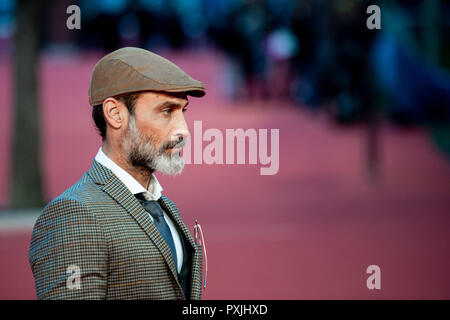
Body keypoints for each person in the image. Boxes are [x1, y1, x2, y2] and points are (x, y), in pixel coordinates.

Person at [29, 47, 205, 300]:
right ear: (115, 114)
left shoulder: (165, 208)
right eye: (167, 111)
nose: (183, 130)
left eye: (182, 111)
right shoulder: (75, 215)